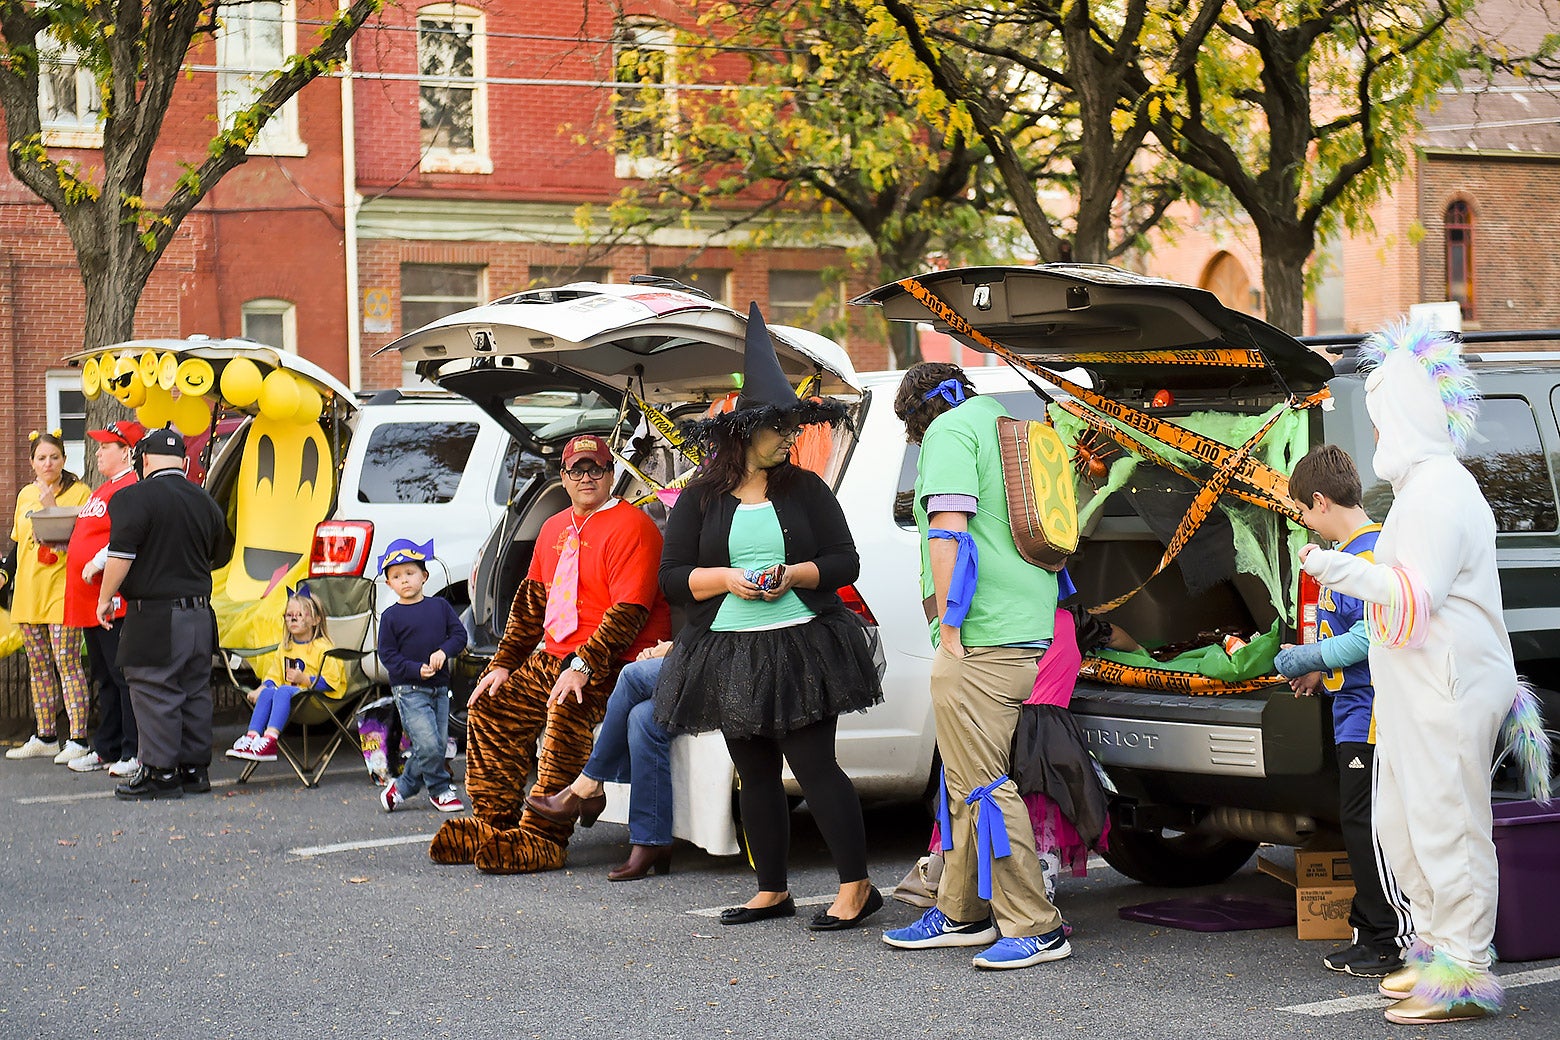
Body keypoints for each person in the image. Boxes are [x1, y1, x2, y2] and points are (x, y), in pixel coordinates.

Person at [1298, 322, 1550, 1024]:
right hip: (1420, 689)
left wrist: (1338, 568)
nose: (1376, 441)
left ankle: (1463, 971)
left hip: (1447, 687)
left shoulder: (1440, 490)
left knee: (1445, 826)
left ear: (1404, 419)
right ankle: (1438, 957)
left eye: (1381, 424)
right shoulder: (1422, 489)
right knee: (1406, 826)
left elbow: (1415, 594)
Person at [654, 302, 883, 931]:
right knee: (754, 772)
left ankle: (857, 886)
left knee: (814, 769)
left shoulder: (805, 488)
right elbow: (671, 580)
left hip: (803, 644)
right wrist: (728, 579)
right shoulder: (701, 496)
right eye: (779, 426)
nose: (789, 436)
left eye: (791, 426)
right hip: (728, 647)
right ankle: (772, 888)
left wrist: (794, 575)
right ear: (743, 432)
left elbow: (844, 562)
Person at [881, 361, 1072, 971]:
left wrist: (951, 630)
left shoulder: (949, 433)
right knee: (966, 775)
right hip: (1025, 626)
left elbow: (948, 530)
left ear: (917, 413)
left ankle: (1036, 927)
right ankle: (960, 910)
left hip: (981, 633)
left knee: (984, 782)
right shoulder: (1009, 423)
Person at [428, 434, 671, 873]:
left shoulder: (634, 526)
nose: (586, 477)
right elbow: (530, 603)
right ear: (563, 477)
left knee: (566, 707)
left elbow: (627, 616)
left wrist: (582, 666)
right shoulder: (553, 527)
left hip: (613, 663)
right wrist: (502, 664)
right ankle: (494, 823)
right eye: (576, 470)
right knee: (491, 705)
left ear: (611, 475)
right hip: (557, 655)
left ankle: (544, 836)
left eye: (596, 469)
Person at [1272, 445, 1412, 978]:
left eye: (1304, 512)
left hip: (1373, 714)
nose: (1306, 522)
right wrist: (1316, 671)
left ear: (1320, 501)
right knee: (1356, 823)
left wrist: (1307, 657)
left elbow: (1369, 636)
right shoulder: (1354, 551)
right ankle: (1369, 926)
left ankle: (1389, 938)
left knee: (1368, 826)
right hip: (1350, 710)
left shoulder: (1369, 555)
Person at [96, 427, 232, 800]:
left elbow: (120, 555)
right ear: (184, 462)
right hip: (200, 615)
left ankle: (160, 773)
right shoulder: (206, 501)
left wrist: (105, 597)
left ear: (144, 461)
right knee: (194, 691)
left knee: (154, 689)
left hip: (154, 615)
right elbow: (221, 556)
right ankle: (194, 770)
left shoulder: (132, 498)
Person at [527, 640, 673, 881]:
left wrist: (674, 648)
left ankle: (590, 782)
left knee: (631, 675)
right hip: (691, 652)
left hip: (717, 662)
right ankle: (652, 841)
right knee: (642, 718)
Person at [4, 430, 93, 764]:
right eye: (41, 458)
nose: (48, 463)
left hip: (61, 591)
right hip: (28, 592)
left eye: (54, 457)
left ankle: (79, 739)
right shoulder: (26, 493)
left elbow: (82, 542)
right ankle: (45, 736)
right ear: (31, 462)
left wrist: (51, 505)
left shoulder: (80, 492)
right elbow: (17, 542)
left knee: (67, 664)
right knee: (38, 667)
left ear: (64, 460)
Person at [62, 421, 143, 776]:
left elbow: (129, 536)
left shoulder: (130, 487)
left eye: (105, 446)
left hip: (112, 601)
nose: (97, 452)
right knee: (104, 677)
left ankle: (132, 750)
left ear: (126, 451)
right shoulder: (105, 488)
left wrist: (96, 562)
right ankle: (106, 747)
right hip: (88, 600)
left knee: (121, 675)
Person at [375, 539, 469, 813]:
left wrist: (443, 651)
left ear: (424, 576)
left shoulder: (439, 607)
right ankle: (440, 790)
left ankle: (402, 787)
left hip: (439, 688)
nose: (404, 580)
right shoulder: (391, 617)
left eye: (409, 573)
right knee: (428, 744)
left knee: (437, 745)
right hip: (409, 689)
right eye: (396, 576)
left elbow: (459, 636)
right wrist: (416, 669)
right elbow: (388, 655)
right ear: (389, 584)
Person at [225, 584, 347, 764]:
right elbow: (274, 675)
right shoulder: (285, 648)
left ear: (316, 620)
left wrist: (304, 679)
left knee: (282, 690)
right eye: (289, 616)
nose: (293, 619)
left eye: (299, 615)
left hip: (318, 702)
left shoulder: (324, 649)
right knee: (269, 692)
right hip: (292, 702)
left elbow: (332, 682)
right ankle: (252, 736)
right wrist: (261, 688)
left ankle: (271, 740)